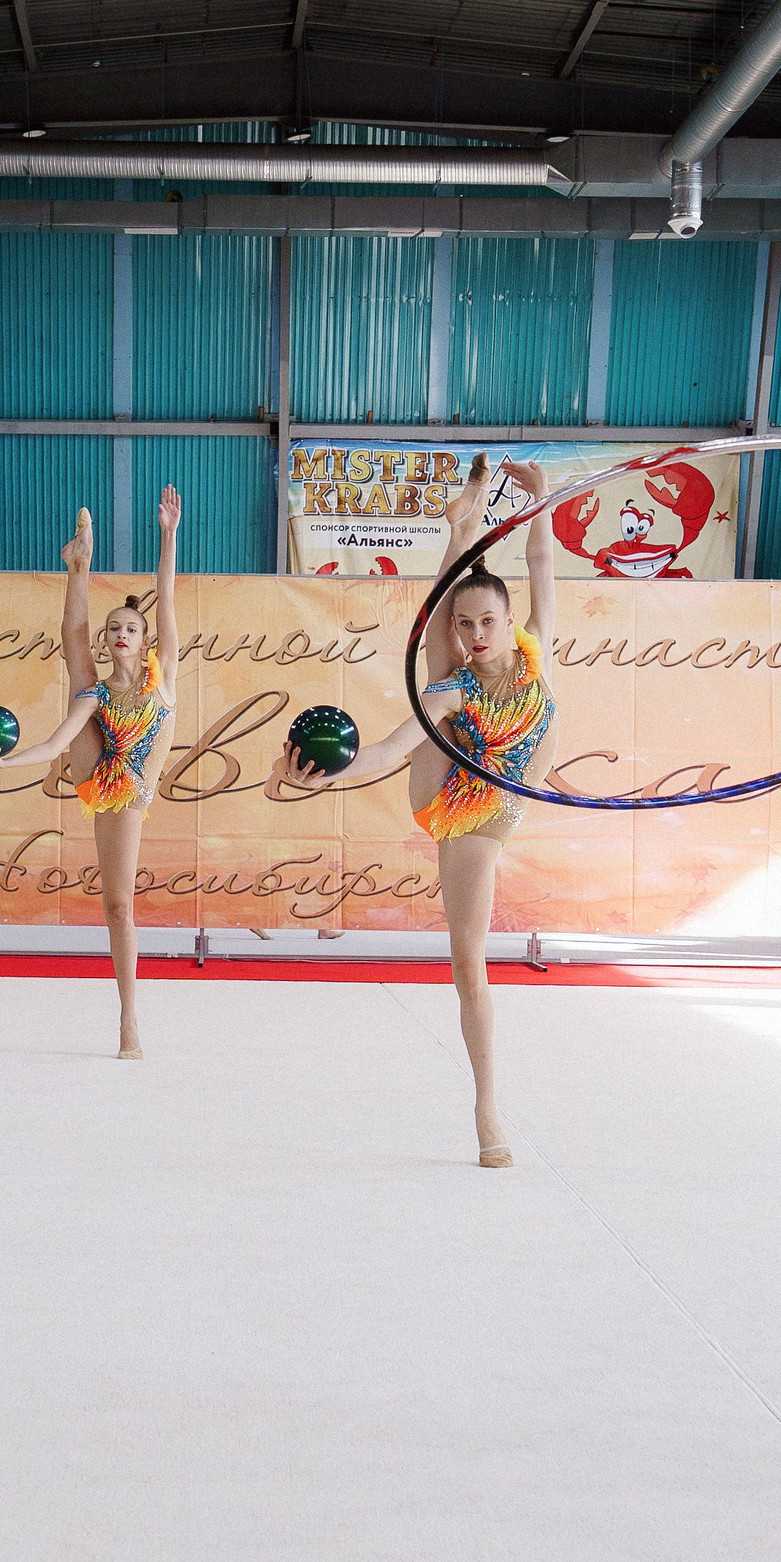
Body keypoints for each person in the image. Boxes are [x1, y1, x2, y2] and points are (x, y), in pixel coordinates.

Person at [278, 457, 553, 1167]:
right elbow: (390, 749)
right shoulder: (452, 687)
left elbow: (540, 559)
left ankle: (463, 522)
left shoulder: (534, 651)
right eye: (467, 624)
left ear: (508, 619)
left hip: (504, 788)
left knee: (449, 649)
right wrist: (321, 775)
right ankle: (487, 1109)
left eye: (489, 620)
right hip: (457, 801)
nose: (479, 634)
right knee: (469, 961)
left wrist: (543, 500)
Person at [0, 487, 182, 1059]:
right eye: (113, 626)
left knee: (120, 904)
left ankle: (129, 1017)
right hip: (99, 767)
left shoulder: (162, 679)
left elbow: (165, 602)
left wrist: (167, 537)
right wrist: (1, 765)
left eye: (130, 628)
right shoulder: (94, 691)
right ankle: (79, 565)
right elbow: (53, 745)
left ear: (144, 642)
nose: (120, 632)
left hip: (133, 784)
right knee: (76, 665)